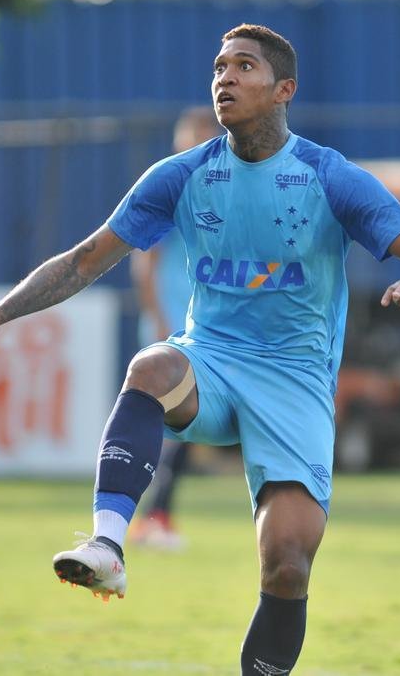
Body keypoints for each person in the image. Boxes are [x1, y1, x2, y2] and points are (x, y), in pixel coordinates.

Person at [0, 23, 400, 676]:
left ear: (283, 89)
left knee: (288, 562)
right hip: (209, 358)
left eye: (243, 66)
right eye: (218, 67)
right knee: (151, 366)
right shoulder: (182, 175)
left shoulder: (327, 176)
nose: (224, 78)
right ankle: (108, 547)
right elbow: (83, 260)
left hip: (294, 381)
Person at [127, 106, 222, 550]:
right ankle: (151, 517)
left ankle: (151, 516)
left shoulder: (218, 193)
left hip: (203, 327)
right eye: (195, 138)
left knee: (181, 428)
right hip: (175, 328)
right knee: (176, 426)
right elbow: (143, 263)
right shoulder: (173, 189)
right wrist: (161, 321)